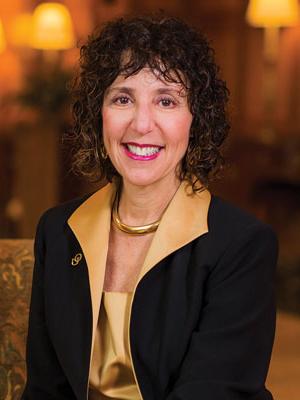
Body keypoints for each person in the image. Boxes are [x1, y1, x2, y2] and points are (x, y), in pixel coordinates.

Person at [22, 14, 278, 400]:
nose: (142, 124)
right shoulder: (58, 230)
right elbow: (45, 388)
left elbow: (212, 392)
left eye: (166, 101)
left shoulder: (241, 244)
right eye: (123, 98)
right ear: (99, 115)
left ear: (196, 119)